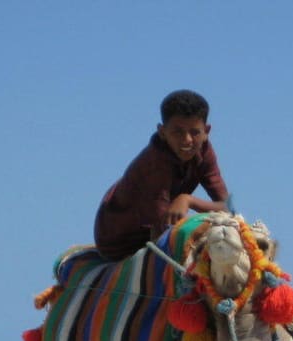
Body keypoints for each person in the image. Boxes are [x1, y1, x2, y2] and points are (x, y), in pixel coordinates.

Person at [94, 89, 231, 260]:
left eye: (194, 132)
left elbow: (227, 207)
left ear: (206, 132)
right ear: (162, 132)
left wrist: (188, 200)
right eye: (177, 132)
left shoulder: (204, 152)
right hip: (119, 241)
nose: (187, 140)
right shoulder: (155, 163)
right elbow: (162, 230)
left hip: (157, 228)